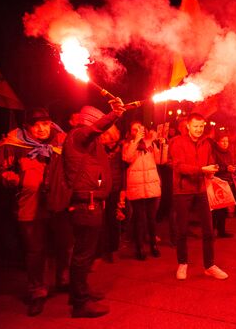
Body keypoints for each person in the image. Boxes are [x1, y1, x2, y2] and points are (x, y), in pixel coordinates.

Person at [0, 108, 70, 316]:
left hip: (57, 205)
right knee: (35, 252)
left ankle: (63, 279)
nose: (41, 129)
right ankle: (37, 291)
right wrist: (7, 177)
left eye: (45, 123)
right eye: (36, 125)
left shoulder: (61, 141)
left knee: (63, 245)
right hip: (29, 207)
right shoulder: (14, 144)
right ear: (28, 127)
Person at [63, 100, 125, 318]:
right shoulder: (78, 136)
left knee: (85, 255)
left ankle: (80, 293)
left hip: (93, 204)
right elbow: (95, 129)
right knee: (83, 255)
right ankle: (80, 304)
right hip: (85, 206)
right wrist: (114, 114)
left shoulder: (90, 143)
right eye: (101, 124)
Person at [169, 113, 228, 280]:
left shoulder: (206, 143)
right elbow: (178, 166)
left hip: (201, 188)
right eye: (195, 126)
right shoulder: (177, 142)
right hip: (182, 190)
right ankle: (182, 263)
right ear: (188, 126)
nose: (198, 129)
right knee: (182, 229)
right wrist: (202, 170)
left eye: (201, 126)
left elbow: (210, 161)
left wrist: (212, 169)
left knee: (209, 229)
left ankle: (209, 265)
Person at [123, 121, 163, 260]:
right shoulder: (128, 145)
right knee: (139, 219)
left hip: (151, 186)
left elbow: (161, 160)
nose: (138, 131)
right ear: (130, 132)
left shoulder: (150, 145)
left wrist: (162, 144)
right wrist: (137, 141)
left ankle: (153, 245)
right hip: (137, 186)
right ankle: (139, 247)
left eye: (140, 128)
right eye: (135, 129)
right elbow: (127, 158)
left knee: (152, 218)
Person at [99, 124, 125, 263]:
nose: (102, 136)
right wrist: (98, 186)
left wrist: (123, 189)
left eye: (105, 134)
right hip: (103, 190)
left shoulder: (121, 149)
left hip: (115, 189)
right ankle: (104, 249)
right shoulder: (99, 149)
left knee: (114, 220)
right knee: (102, 221)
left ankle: (113, 249)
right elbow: (97, 172)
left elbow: (123, 171)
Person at [210, 130, 236, 238]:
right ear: (218, 142)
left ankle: (221, 231)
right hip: (217, 181)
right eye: (223, 141)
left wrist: (233, 167)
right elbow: (213, 167)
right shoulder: (214, 152)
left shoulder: (228, 152)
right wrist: (225, 168)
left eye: (226, 141)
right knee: (216, 209)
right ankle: (213, 230)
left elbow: (230, 164)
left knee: (224, 208)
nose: (225, 143)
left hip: (227, 182)